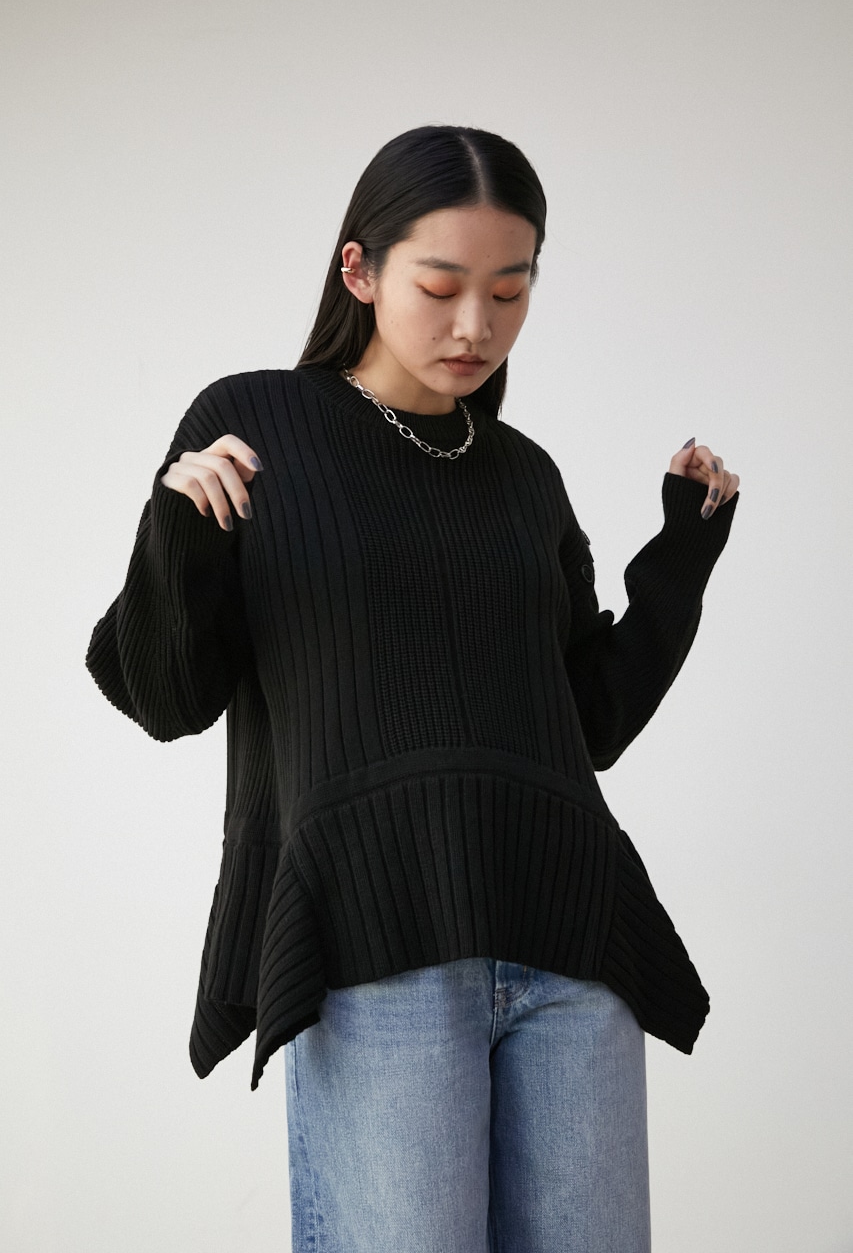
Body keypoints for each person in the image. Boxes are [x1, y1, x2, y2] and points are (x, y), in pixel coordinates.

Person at [86, 124, 740, 1253]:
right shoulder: (253, 426)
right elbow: (163, 697)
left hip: (570, 937)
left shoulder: (524, 476)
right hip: (372, 935)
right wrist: (179, 533)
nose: (475, 325)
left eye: (510, 291)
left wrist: (682, 557)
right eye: (440, 287)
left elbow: (587, 723)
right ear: (359, 270)